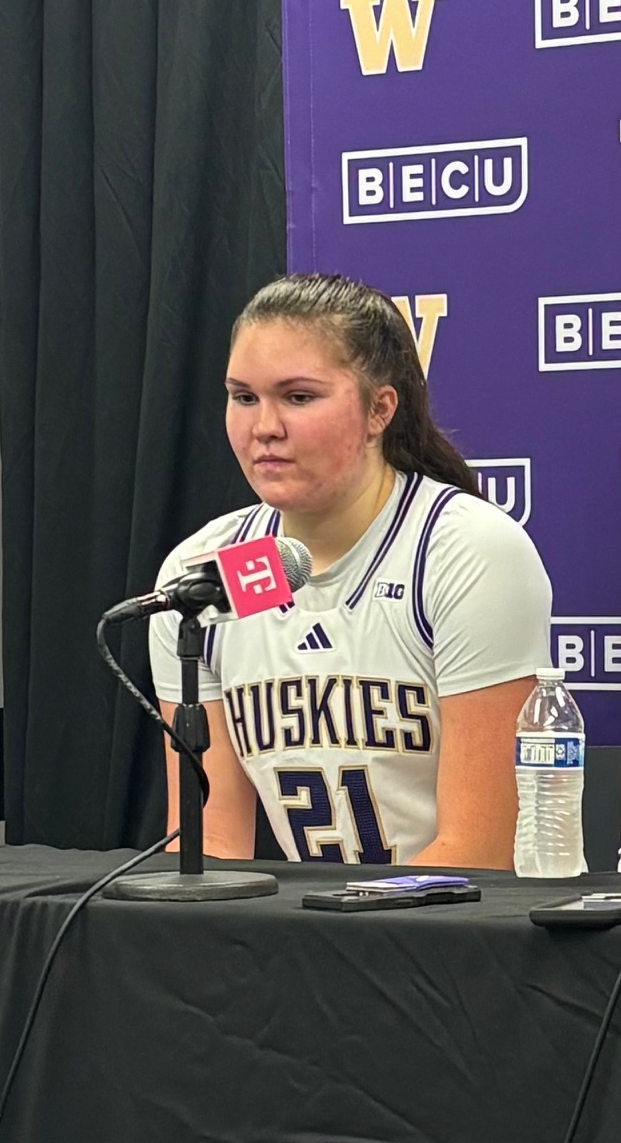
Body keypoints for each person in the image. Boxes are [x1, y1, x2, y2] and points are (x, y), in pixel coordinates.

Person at [149, 274, 551, 867]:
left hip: (459, 935)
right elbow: (209, 845)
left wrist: (331, 938)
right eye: (243, 397)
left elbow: (480, 851)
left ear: (379, 409)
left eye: (299, 397)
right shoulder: (202, 574)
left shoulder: (463, 549)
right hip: (311, 937)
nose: (265, 428)